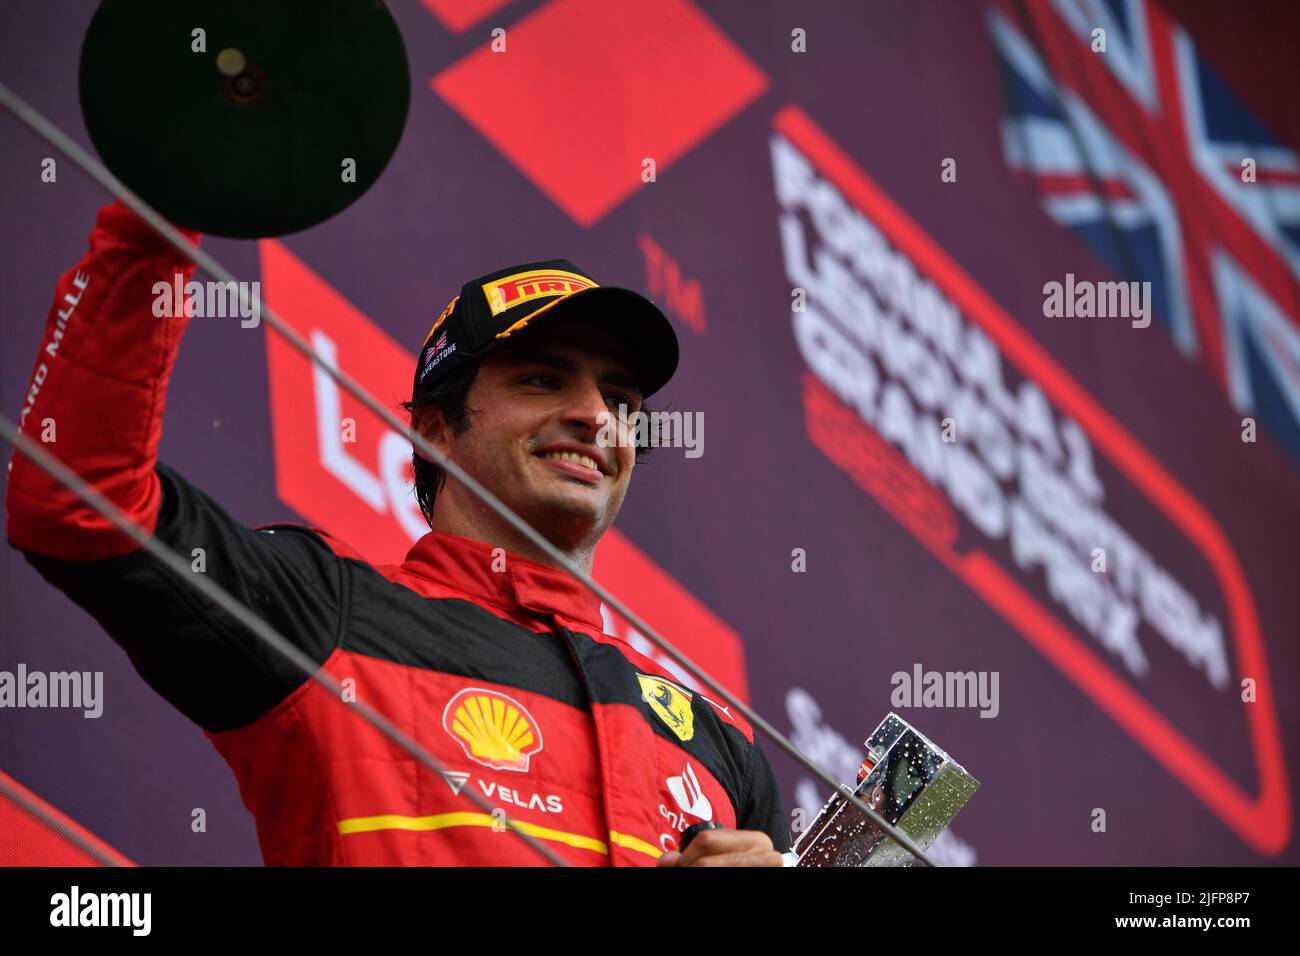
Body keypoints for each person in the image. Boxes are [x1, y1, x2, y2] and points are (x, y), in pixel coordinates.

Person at [6, 199, 789, 866]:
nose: (595, 415)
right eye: (543, 379)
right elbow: (76, 497)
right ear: (436, 432)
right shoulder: (328, 608)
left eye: (619, 396)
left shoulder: (721, 748)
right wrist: (162, 211)